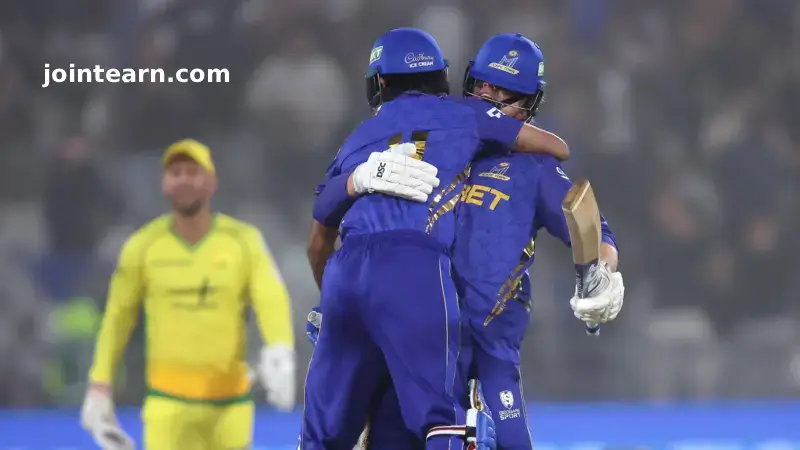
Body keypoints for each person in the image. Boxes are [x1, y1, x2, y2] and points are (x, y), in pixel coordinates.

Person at [308, 33, 626, 450]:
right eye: (483, 89)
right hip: (412, 340)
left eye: (504, 95)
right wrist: (338, 307)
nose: (490, 99)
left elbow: (591, 225)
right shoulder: (433, 135)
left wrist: (602, 273)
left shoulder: (534, 166)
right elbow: (371, 233)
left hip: (485, 351)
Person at [79, 139, 296, 450]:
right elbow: (117, 319)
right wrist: (99, 386)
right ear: (164, 184)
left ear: (211, 183)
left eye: (193, 172)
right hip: (167, 407)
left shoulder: (243, 242)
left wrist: (280, 349)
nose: (183, 180)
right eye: (175, 173)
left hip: (229, 407)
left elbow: (270, 298)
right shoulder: (143, 246)